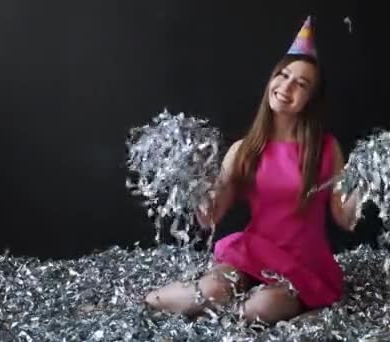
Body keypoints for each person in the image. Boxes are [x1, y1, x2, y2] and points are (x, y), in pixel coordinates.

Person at [145, 16, 361, 324]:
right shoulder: (243, 150)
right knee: (210, 293)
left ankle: (278, 304)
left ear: (310, 100)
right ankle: (145, 300)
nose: (286, 87)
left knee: (257, 311)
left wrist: (373, 184)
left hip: (303, 262)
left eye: (300, 84)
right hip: (253, 252)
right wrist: (190, 182)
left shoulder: (326, 148)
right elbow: (210, 217)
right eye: (283, 76)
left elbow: (346, 218)